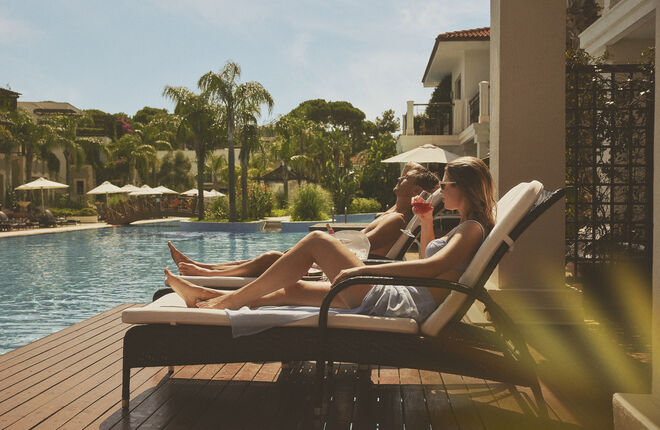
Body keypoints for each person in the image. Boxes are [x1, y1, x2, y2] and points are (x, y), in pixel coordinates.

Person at [165, 156, 496, 325]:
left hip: (402, 302)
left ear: (465, 188)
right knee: (291, 290)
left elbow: (431, 267)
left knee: (317, 241)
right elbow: (430, 262)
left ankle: (224, 302)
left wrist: (362, 272)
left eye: (447, 184)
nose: (441, 190)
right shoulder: (466, 226)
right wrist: (425, 223)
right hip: (405, 296)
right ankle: (207, 295)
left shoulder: (471, 228)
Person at [168, 162, 439, 277]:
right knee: (273, 256)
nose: (399, 178)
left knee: (271, 257)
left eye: (405, 177)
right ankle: (204, 268)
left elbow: (359, 249)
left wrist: (321, 247)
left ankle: (206, 273)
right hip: (337, 263)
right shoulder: (392, 213)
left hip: (339, 270)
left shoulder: (396, 220)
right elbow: (358, 243)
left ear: (415, 189)